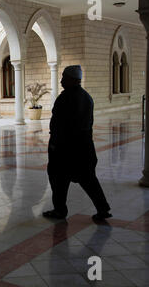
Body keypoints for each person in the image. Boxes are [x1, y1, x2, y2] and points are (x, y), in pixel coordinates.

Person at [43, 65, 112, 221]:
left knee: (58, 180)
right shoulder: (86, 97)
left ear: (72, 80)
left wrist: (54, 145)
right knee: (89, 180)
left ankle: (60, 210)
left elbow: (60, 125)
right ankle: (103, 208)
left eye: (64, 78)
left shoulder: (65, 98)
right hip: (84, 148)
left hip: (65, 149)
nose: (61, 81)